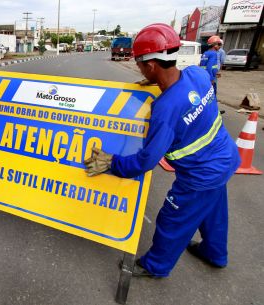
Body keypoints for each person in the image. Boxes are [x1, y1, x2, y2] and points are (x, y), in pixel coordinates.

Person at [84, 23, 240, 278]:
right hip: (225, 159)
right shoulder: (197, 75)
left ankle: (154, 266)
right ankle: (215, 253)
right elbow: (188, 93)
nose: (138, 68)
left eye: (139, 63)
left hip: (200, 175)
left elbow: (147, 160)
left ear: (151, 65)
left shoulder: (165, 109)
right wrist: (159, 83)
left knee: (172, 220)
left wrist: (113, 163)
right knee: (213, 209)